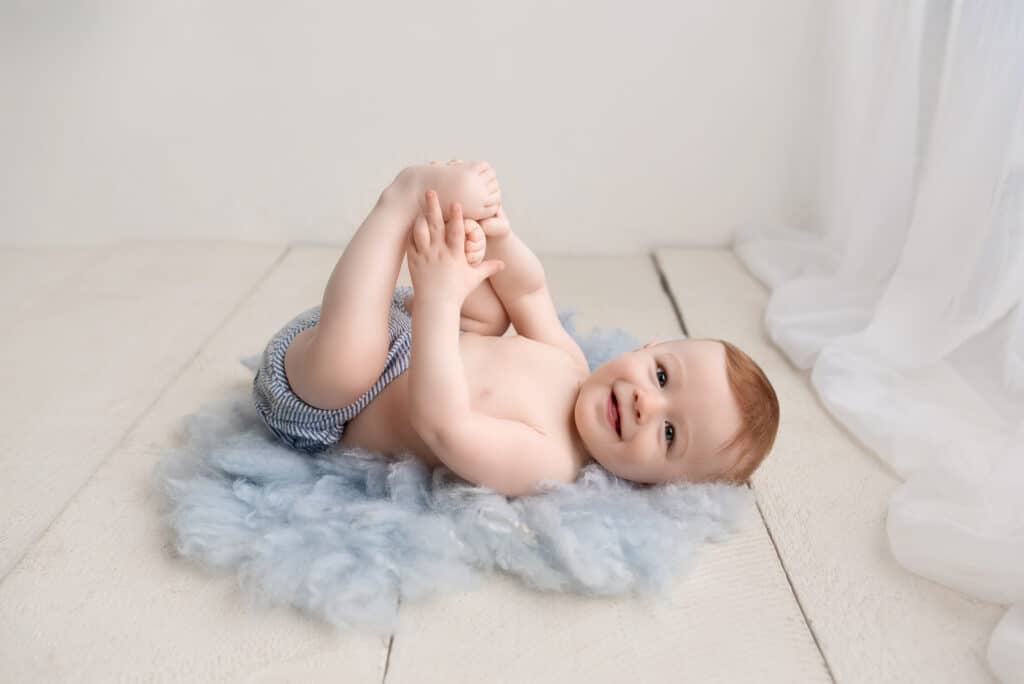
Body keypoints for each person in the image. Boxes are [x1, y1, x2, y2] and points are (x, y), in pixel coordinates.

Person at [253, 161, 780, 496]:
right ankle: (441, 230)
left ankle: (399, 204)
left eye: (669, 434)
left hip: (327, 403)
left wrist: (440, 298)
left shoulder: (549, 460)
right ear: (649, 347)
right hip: (401, 324)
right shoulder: (571, 363)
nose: (648, 404)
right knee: (493, 311)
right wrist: (497, 235)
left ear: (661, 484)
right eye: (662, 377)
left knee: (350, 365)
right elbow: (528, 291)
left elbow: (443, 424)